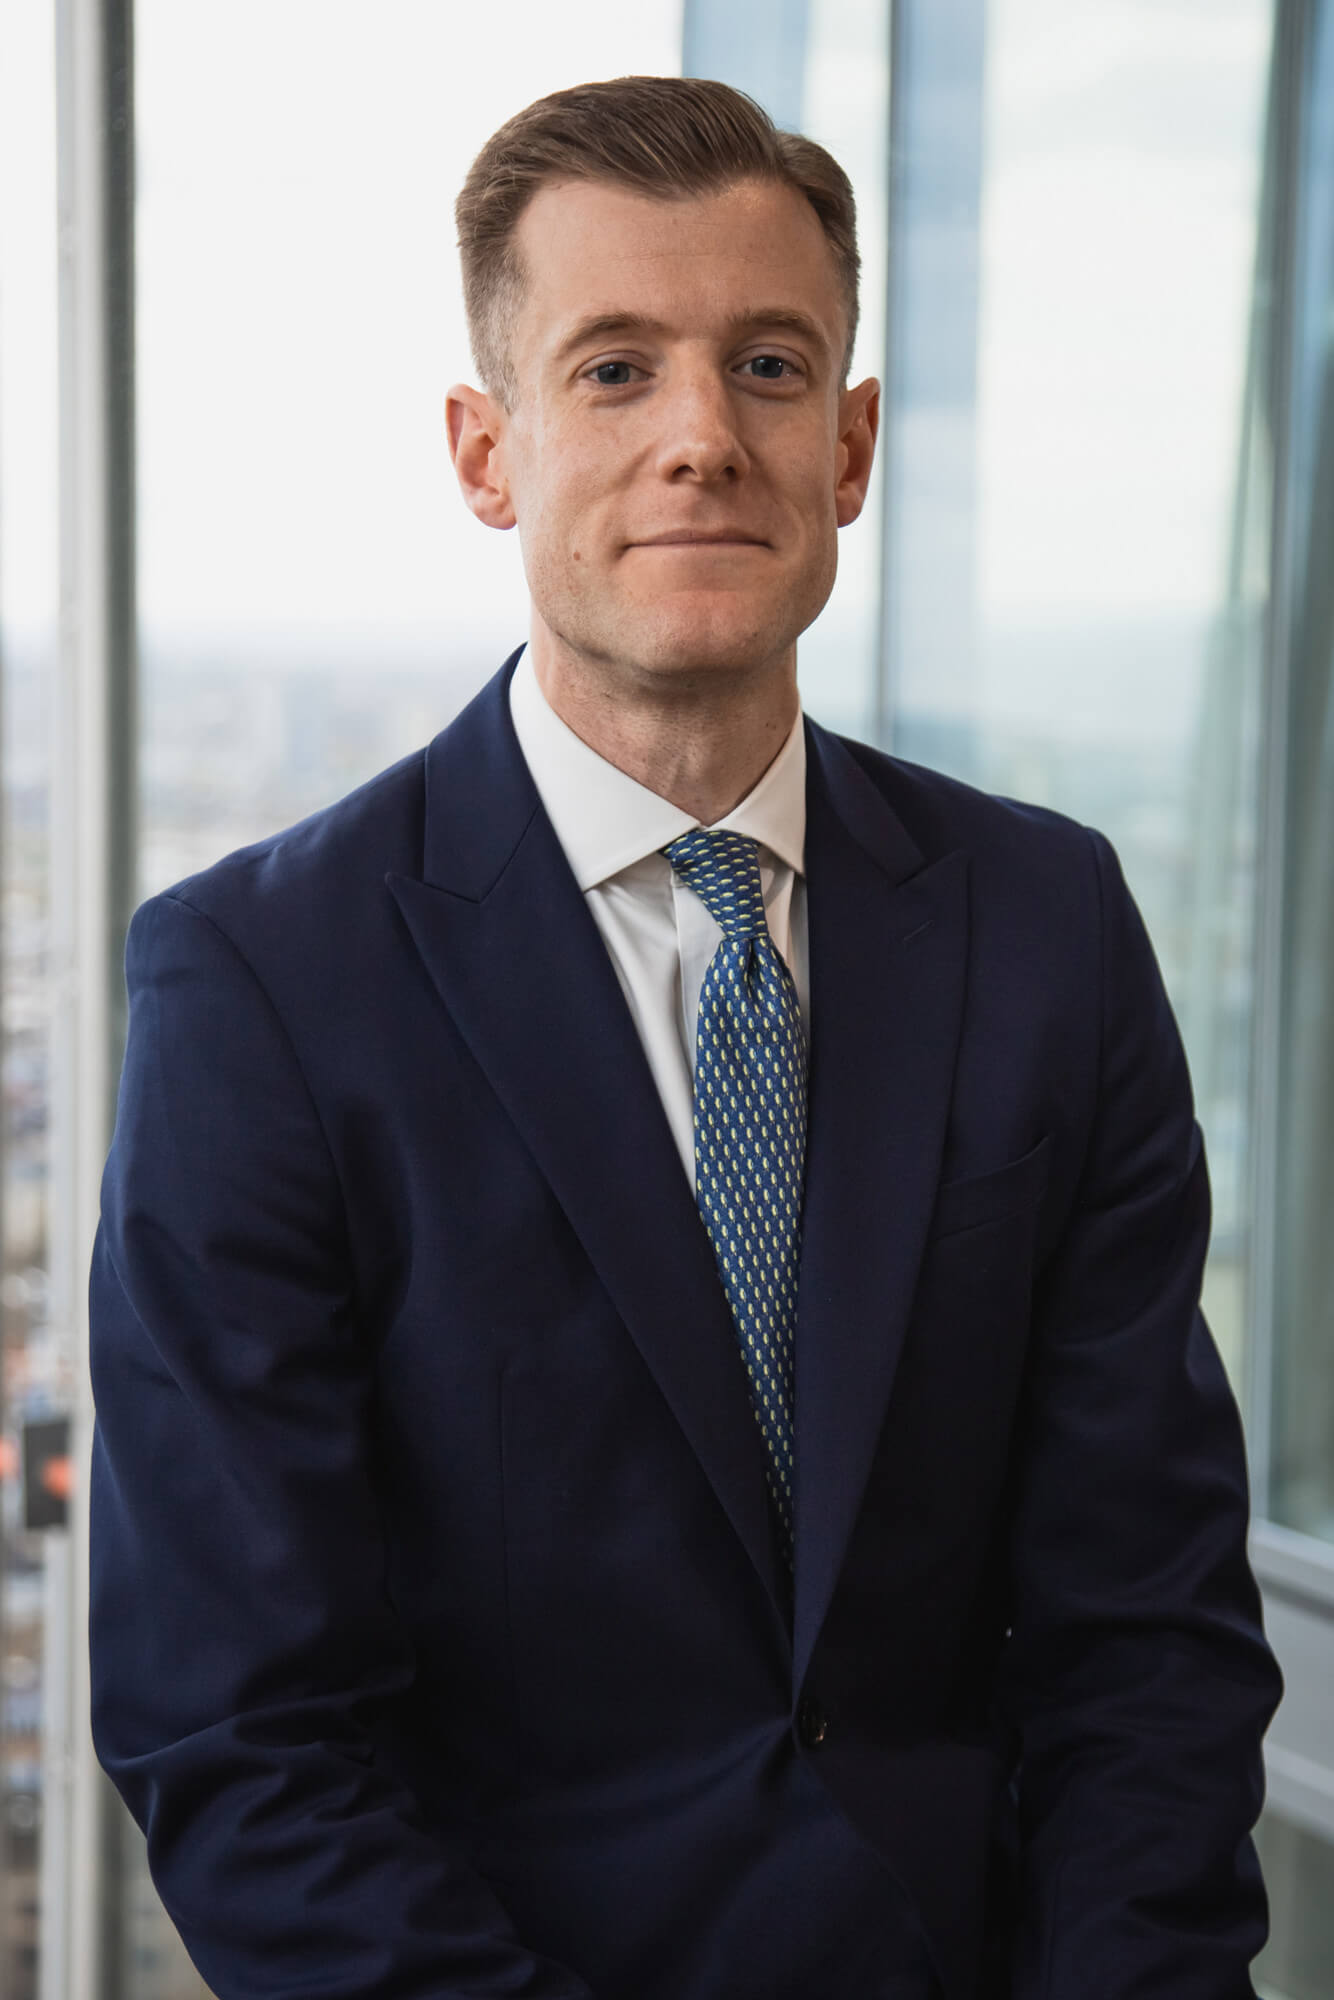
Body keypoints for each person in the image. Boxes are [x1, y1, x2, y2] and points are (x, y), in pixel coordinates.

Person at [88, 75, 1281, 2000]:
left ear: (854, 444)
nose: (703, 440)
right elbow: (243, 1739)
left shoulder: (1044, 927)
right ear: (488, 450)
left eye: (771, 364)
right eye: (616, 370)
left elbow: (1142, 1628)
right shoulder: (258, 987)